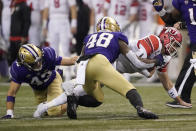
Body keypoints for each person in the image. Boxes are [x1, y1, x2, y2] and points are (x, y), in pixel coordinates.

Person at [34, 16, 163, 119]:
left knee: (96, 98)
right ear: (114, 27)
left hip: (83, 65)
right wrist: (156, 61)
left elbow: (80, 58)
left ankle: (45, 106)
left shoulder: (89, 37)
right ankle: (141, 108)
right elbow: (138, 62)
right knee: (127, 88)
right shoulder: (117, 37)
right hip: (100, 62)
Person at [116, 27, 192, 108]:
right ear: (166, 38)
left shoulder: (165, 57)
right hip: (115, 57)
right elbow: (138, 62)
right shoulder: (154, 41)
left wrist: (180, 101)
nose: (174, 49)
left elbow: (167, 83)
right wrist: (155, 62)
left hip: (119, 68)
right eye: (174, 44)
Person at [1, 44, 78, 119]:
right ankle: (64, 99)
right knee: (44, 112)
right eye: (35, 63)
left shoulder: (47, 55)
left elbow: (69, 60)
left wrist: (82, 60)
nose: (39, 64)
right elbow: (12, 92)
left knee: (54, 112)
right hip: (38, 88)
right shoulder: (19, 70)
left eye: (40, 60)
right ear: (25, 64)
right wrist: (9, 113)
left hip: (52, 80)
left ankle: (73, 100)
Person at [152, 0, 196, 108]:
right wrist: (161, 10)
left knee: (191, 65)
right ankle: (183, 98)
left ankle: (181, 98)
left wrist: (184, 24)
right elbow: (172, 19)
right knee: (190, 66)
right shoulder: (181, 2)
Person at [42, 0, 77, 81]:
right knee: (53, 50)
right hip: (52, 21)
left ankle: (68, 74)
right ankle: (54, 74)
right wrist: (44, 26)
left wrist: (73, 23)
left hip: (64, 20)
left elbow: (73, 8)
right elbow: (46, 10)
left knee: (65, 49)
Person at [8, 0, 31, 66]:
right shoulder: (14, 5)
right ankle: (12, 74)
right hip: (13, 36)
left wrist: (24, 35)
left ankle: (22, 75)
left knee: (21, 59)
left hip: (20, 37)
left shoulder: (24, 6)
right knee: (12, 57)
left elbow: (27, 21)